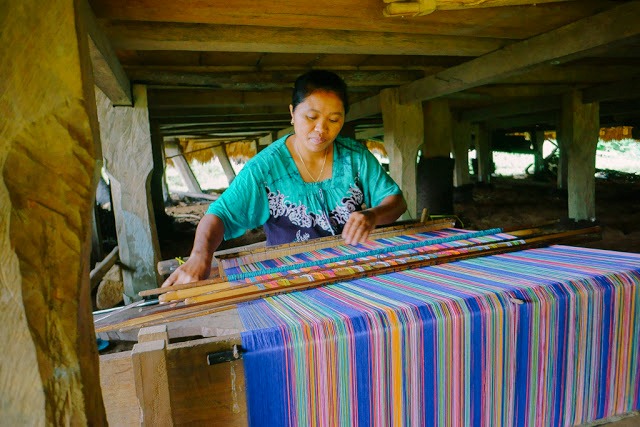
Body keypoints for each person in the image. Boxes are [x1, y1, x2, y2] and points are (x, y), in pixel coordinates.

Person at [162, 70, 407, 287]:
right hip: (291, 281)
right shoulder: (266, 167)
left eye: (334, 120)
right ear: (292, 112)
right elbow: (220, 215)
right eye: (311, 117)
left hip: (354, 272)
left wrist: (372, 215)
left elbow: (395, 201)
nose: (322, 129)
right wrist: (199, 256)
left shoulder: (356, 157)